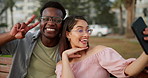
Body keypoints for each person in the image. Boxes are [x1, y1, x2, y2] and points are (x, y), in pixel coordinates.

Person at [55, 16, 148, 78]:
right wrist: (64, 57)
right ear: (68, 34)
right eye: (80, 30)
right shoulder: (61, 65)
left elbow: (128, 71)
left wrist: (146, 52)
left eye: (88, 30)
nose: (86, 35)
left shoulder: (99, 52)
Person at [0, 1, 66, 78]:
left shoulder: (67, 45)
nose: (51, 23)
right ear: (40, 21)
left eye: (57, 20)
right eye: (46, 19)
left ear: (63, 24)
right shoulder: (24, 40)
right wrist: (11, 35)